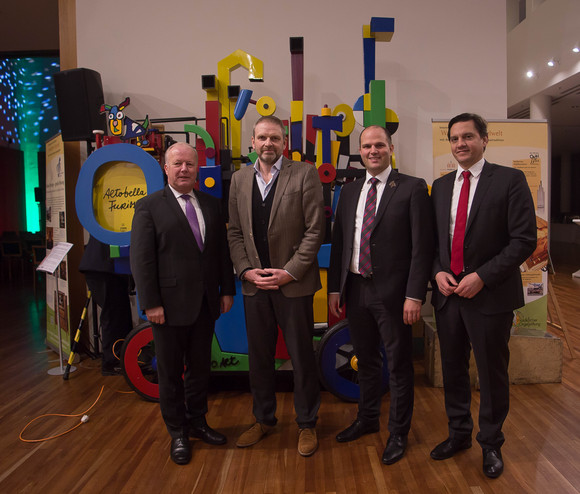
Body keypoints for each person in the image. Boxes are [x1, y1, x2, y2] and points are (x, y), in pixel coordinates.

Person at [430, 113, 536, 478]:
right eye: (455, 138)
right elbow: (432, 245)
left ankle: (490, 444)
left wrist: (482, 277)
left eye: (468, 137)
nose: (461, 143)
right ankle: (458, 434)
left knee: (491, 375)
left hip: (489, 298)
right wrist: (437, 272)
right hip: (448, 298)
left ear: (485, 139)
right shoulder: (441, 186)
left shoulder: (509, 179)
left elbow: (524, 240)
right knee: (453, 370)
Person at [328, 125, 434, 465]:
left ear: (390, 148)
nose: (372, 150)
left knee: (400, 366)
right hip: (356, 288)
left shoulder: (412, 188)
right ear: (360, 151)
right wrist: (335, 287)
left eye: (379, 145)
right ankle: (368, 419)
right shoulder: (349, 190)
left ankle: (398, 433)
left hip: (394, 295)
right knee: (366, 361)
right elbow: (341, 243)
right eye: (366, 146)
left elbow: (422, 248)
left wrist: (415, 295)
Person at [130, 142, 235, 465]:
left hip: (205, 304)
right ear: (166, 168)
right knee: (171, 373)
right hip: (167, 308)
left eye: (190, 164)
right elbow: (142, 260)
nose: (184, 169)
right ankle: (177, 431)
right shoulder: (148, 207)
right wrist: (150, 303)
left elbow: (220, 253)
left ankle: (198, 421)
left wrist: (226, 290)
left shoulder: (211, 204)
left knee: (200, 370)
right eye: (178, 164)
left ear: (197, 168)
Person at [227, 115, 325, 457]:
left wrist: (289, 271)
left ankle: (307, 424)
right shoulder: (239, 179)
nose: (268, 143)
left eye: (275, 138)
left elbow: (315, 230)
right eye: (262, 138)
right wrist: (245, 271)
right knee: (259, 358)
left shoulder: (305, 174)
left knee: (301, 357)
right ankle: (263, 419)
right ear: (252, 142)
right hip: (255, 287)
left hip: (293, 285)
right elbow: (235, 232)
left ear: (285, 143)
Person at [79, 235, 133, 376]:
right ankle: (111, 363)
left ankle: (121, 358)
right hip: (103, 268)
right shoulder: (113, 218)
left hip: (108, 268)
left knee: (120, 314)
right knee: (112, 315)